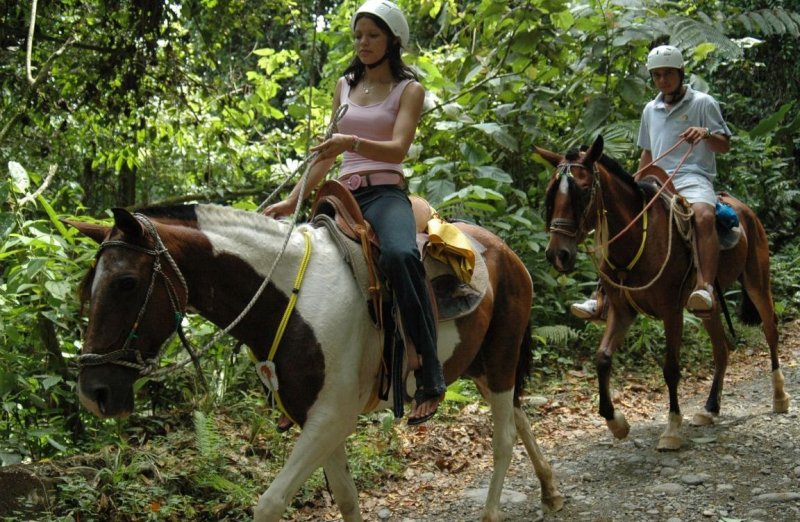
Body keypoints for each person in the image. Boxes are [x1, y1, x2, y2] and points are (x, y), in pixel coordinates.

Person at [264, 0, 446, 425]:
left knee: (401, 255)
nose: (363, 43)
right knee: (295, 264)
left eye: (372, 35)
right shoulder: (344, 85)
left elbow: (398, 149)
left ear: (393, 41)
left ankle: (430, 372)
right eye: (358, 35)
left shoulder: (409, 90)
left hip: (385, 194)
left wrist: (352, 143)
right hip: (341, 195)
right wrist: (293, 200)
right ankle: (289, 381)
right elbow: (326, 155)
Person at [571, 44, 731, 320]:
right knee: (616, 218)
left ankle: (704, 287)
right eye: (657, 75)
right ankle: (602, 296)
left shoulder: (703, 102)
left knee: (704, 216)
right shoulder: (650, 109)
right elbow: (647, 152)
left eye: (668, 73)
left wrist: (705, 133)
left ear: (681, 72)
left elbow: (724, 145)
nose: (662, 80)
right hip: (655, 178)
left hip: (693, 177)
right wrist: (633, 182)